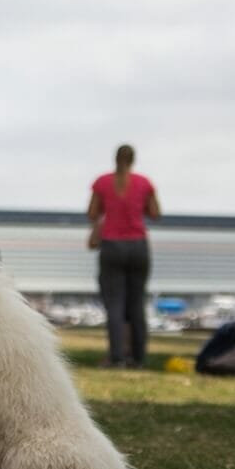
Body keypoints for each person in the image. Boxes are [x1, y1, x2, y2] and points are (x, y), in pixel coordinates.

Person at [88, 144, 161, 368]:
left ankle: (117, 356)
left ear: (116, 158)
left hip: (112, 246)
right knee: (136, 304)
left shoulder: (102, 182)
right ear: (133, 160)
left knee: (115, 305)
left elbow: (92, 213)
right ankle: (138, 358)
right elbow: (155, 213)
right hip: (138, 246)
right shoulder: (144, 183)